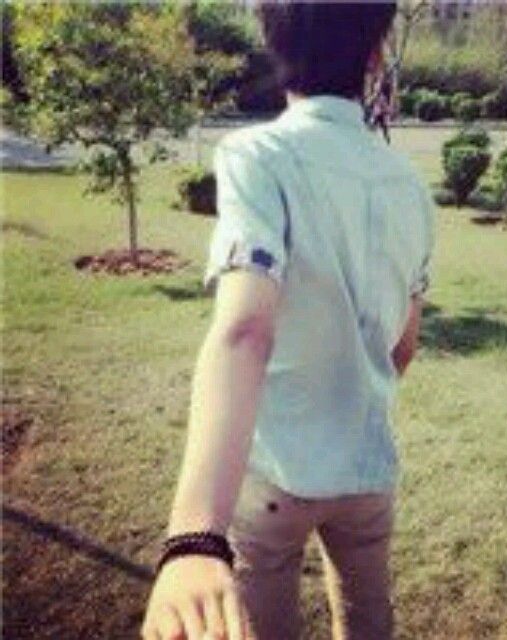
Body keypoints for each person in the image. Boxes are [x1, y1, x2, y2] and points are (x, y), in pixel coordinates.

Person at [141, 2, 435, 639]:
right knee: (369, 624)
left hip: (274, 474)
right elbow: (404, 345)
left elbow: (246, 328)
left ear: (272, 44)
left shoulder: (258, 155)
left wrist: (194, 537)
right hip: (367, 471)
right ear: (377, 52)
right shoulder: (411, 185)